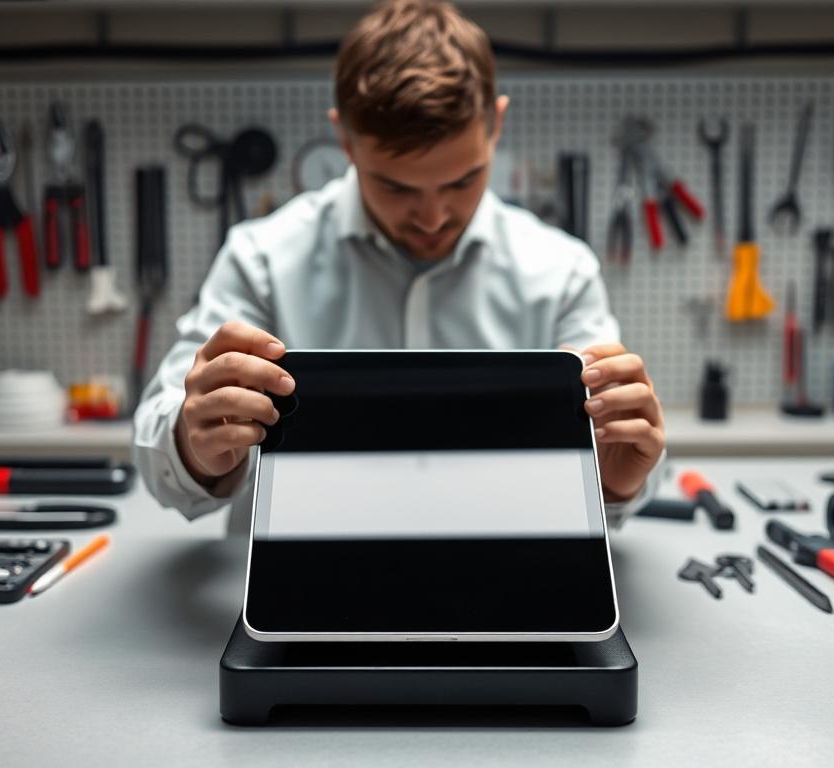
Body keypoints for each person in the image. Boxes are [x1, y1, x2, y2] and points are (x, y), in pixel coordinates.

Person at [133, 0, 665, 529]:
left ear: (496, 125)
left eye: (462, 180)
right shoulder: (261, 261)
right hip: (293, 590)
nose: (434, 218)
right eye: (395, 186)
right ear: (344, 139)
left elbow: (622, 454)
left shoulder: (563, 272)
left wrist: (615, 481)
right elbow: (160, 453)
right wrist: (193, 443)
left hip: (507, 582)